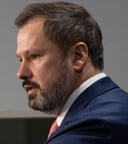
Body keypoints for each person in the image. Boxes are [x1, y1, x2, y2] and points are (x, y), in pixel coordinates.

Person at [14, 1, 128, 144]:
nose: (21, 73)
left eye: (34, 56)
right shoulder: (107, 108)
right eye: (20, 60)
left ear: (78, 56)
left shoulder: (97, 125)